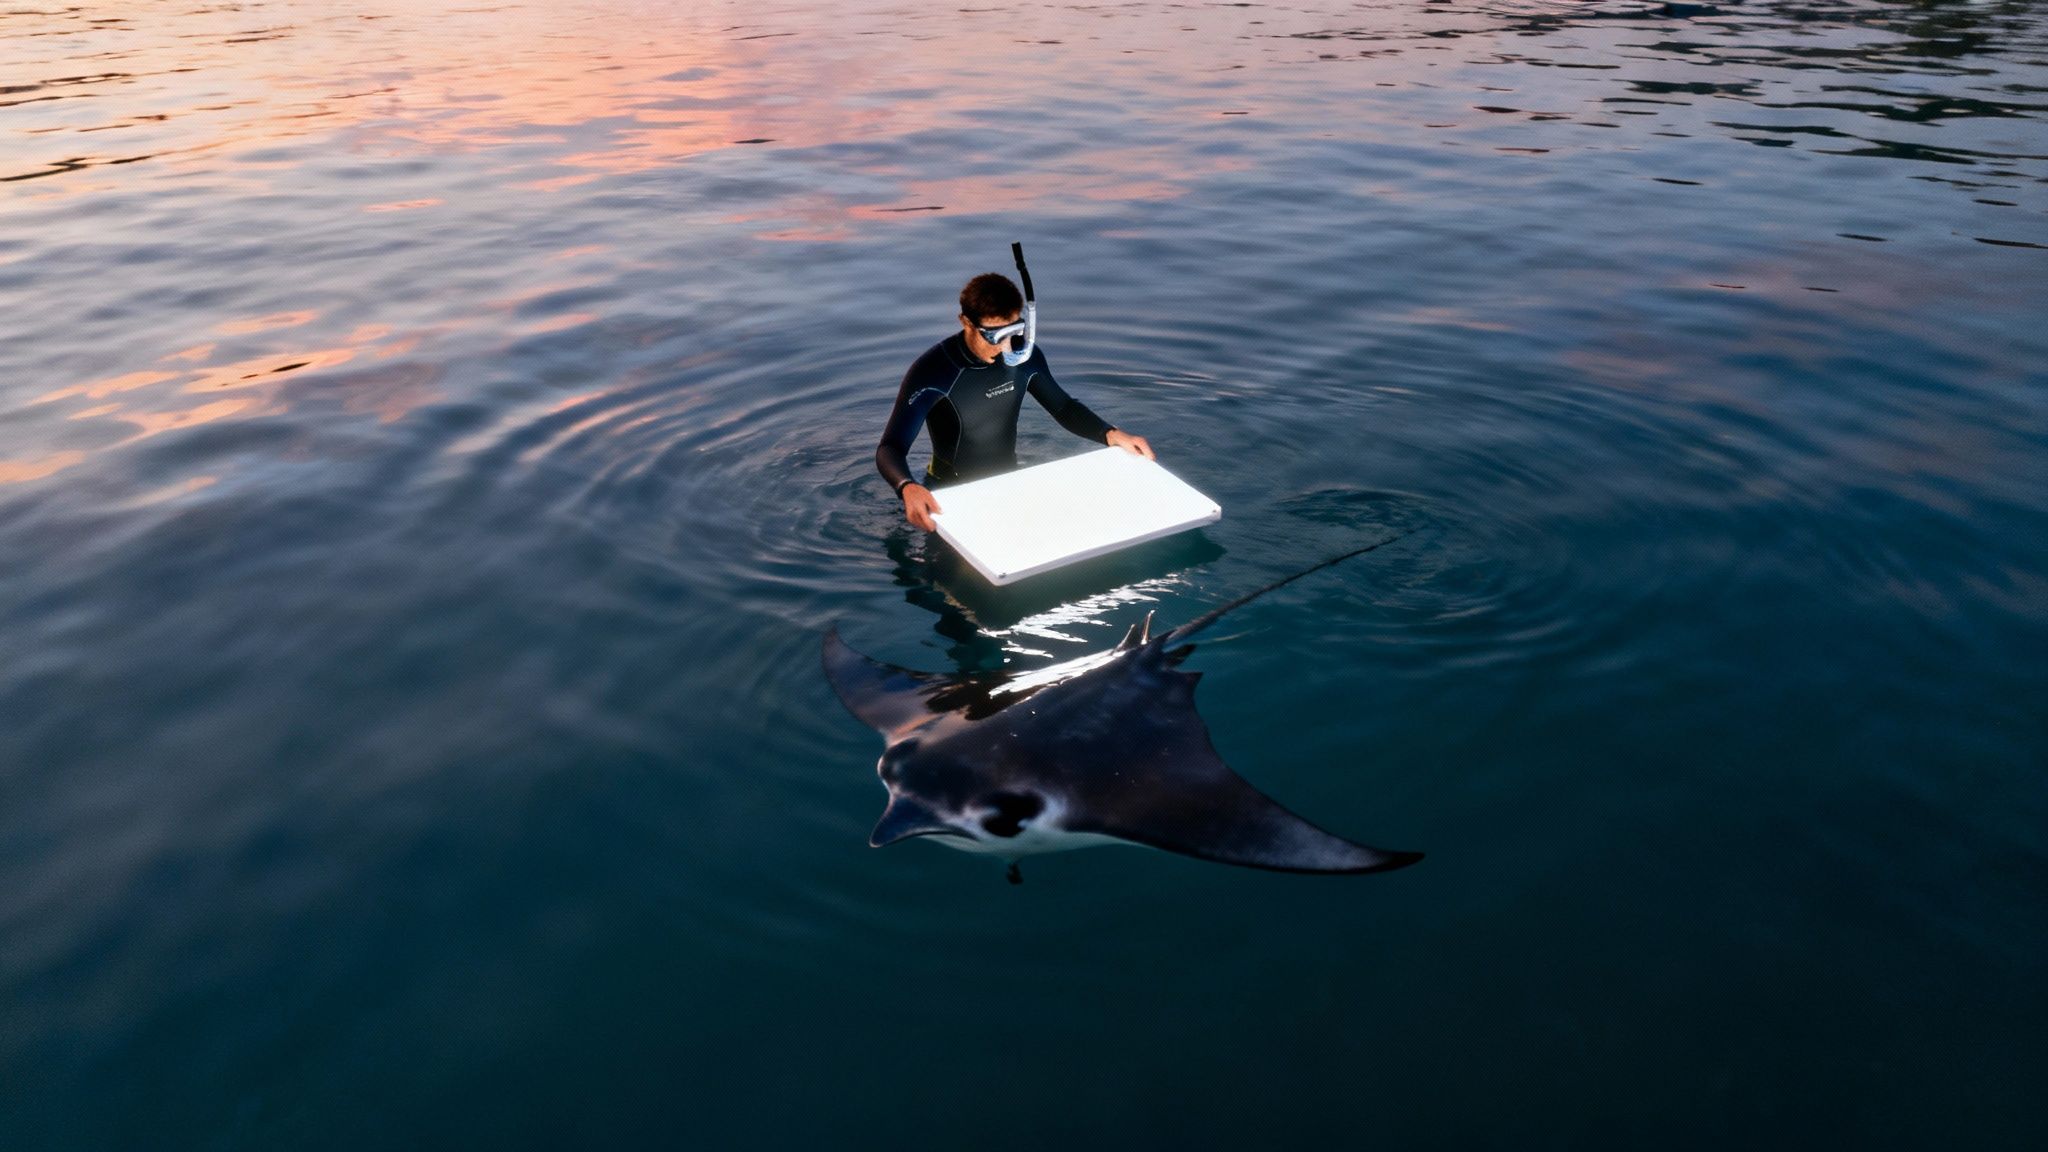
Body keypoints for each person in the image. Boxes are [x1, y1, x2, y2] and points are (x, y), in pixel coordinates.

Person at [875, 272, 1153, 530]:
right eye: (995, 335)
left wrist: (1112, 434)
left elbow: (1064, 408)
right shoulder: (934, 371)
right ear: (966, 322)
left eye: (1015, 331)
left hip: (1009, 484)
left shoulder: (1024, 357)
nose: (1007, 346)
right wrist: (907, 487)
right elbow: (891, 447)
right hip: (949, 497)